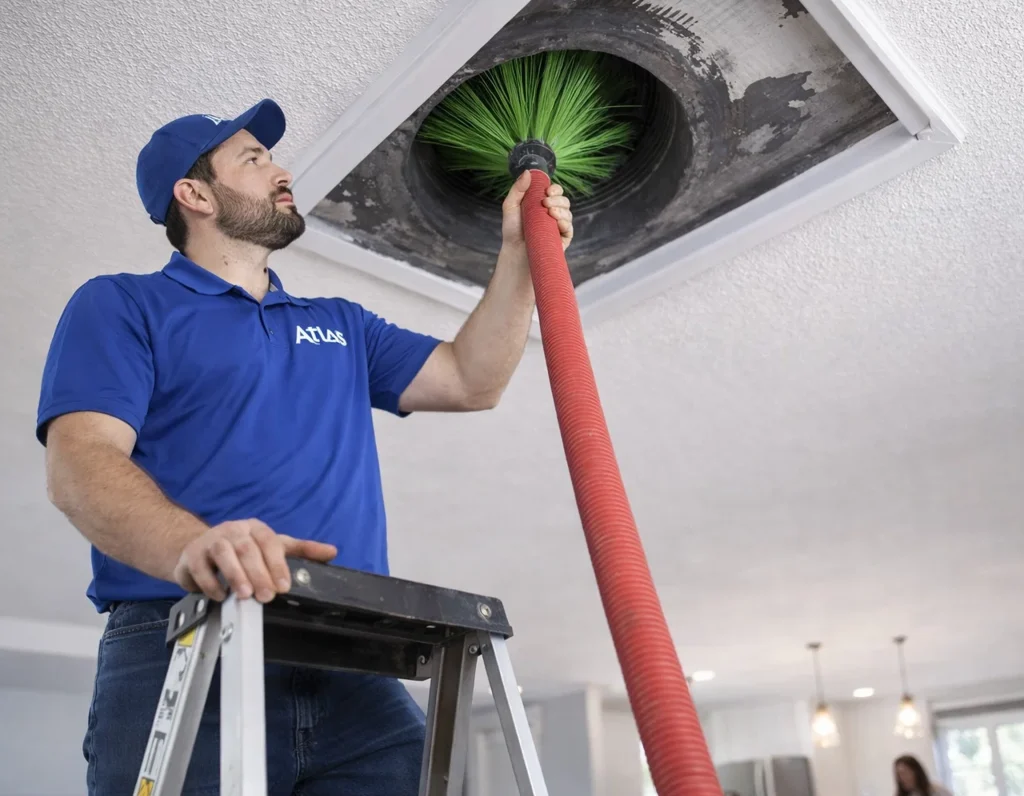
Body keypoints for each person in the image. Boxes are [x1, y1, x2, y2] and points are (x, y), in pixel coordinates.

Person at [36, 98, 573, 795]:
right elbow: (80, 463)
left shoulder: (341, 326)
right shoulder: (123, 305)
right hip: (187, 642)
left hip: (353, 659)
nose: (281, 169)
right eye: (255, 160)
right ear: (194, 194)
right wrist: (192, 549)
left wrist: (517, 255)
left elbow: (472, 379)